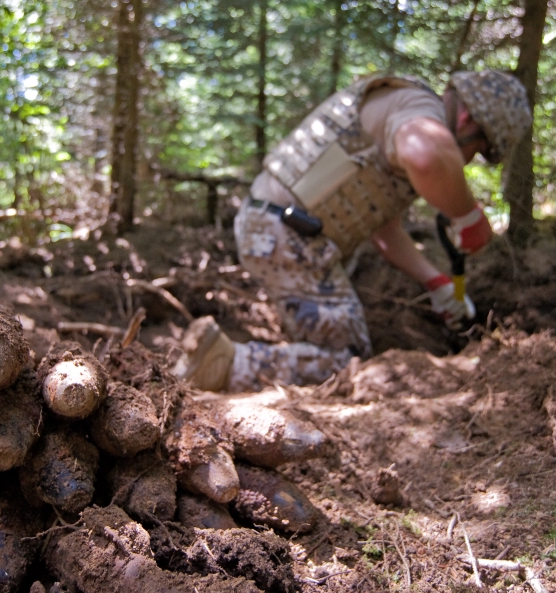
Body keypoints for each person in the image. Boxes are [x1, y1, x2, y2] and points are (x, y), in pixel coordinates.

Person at [174, 71, 532, 392]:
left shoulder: (404, 113)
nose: (469, 161)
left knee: (337, 348)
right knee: (346, 361)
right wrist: (469, 217)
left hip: (276, 229)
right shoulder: (421, 110)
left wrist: (434, 282)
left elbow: (383, 229)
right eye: (479, 150)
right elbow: (425, 153)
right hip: (288, 235)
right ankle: (225, 365)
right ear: (469, 119)